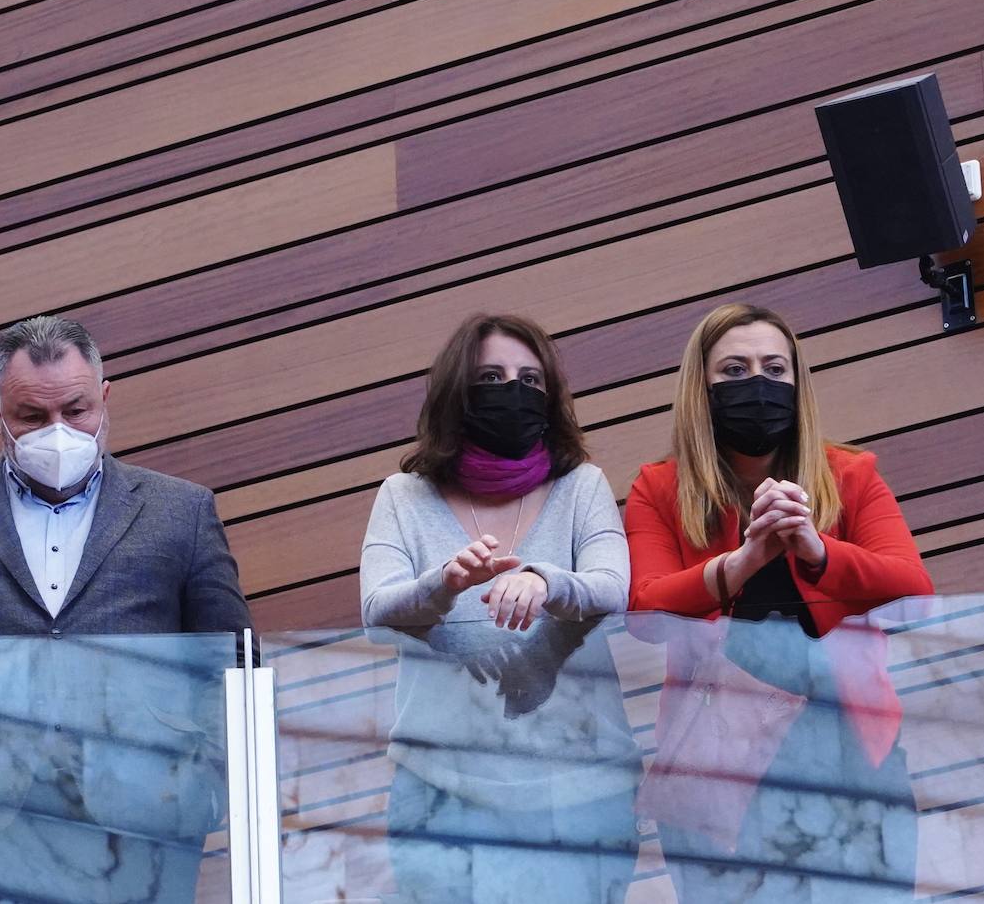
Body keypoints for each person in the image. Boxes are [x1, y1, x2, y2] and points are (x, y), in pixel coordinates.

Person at [0, 315, 250, 902]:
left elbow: (235, 665)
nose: (57, 431)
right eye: (33, 417)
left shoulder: (182, 513)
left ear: (105, 398)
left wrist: (199, 789)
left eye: (77, 410)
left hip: (140, 830)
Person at [624, 303, 933, 903]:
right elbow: (644, 612)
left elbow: (913, 591)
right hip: (721, 763)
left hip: (850, 751)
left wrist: (817, 551)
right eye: (734, 371)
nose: (758, 384)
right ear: (701, 389)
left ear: (797, 382)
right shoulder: (659, 487)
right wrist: (742, 561)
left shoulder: (850, 476)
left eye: (774, 368)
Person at [359, 314, 642, 904]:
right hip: (443, 790)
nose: (513, 391)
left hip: (578, 790)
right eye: (491, 376)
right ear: (457, 391)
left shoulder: (582, 485)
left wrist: (545, 579)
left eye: (530, 380)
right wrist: (443, 584)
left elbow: (614, 586)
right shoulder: (402, 496)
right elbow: (376, 609)